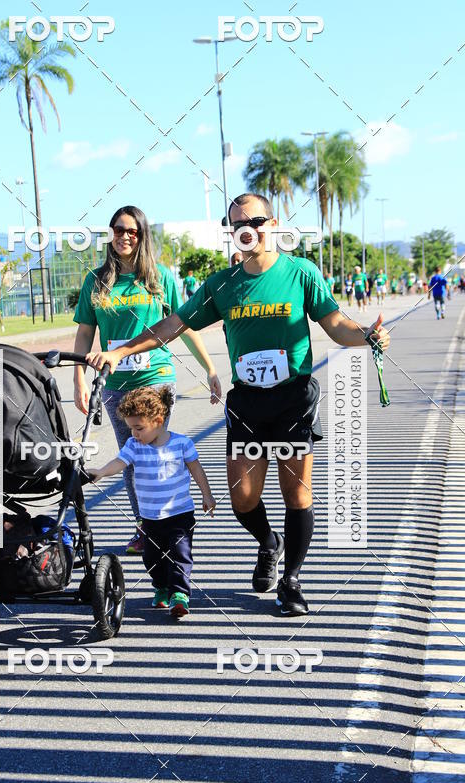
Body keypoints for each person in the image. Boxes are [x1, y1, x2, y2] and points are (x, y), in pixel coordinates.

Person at [87, 192, 390, 617]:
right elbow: (173, 324)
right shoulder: (222, 284)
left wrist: (367, 335)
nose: (247, 230)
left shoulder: (301, 273)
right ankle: (269, 542)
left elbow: (337, 325)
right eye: (238, 224)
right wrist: (120, 351)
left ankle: (291, 581)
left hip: (292, 398)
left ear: (273, 224)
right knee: (242, 499)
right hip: (247, 401)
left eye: (255, 221)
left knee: (296, 494)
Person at [72, 204, 220, 555]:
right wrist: (79, 380)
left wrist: (210, 368)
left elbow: (183, 325)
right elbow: (84, 333)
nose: (124, 237)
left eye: (132, 231)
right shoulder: (96, 280)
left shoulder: (160, 278)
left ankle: (167, 523)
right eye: (118, 230)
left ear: (142, 237)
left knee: (152, 451)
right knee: (131, 455)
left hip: (156, 378)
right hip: (115, 383)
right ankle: (145, 526)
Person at [87, 386, 216, 618]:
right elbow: (119, 463)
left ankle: (180, 594)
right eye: (131, 428)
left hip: (180, 514)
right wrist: (101, 472)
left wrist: (207, 494)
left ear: (158, 421)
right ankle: (161, 587)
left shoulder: (182, 443)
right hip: (149, 517)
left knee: (180, 554)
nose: (134, 434)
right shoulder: (134, 446)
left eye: (139, 428)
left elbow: (196, 469)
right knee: (152, 558)